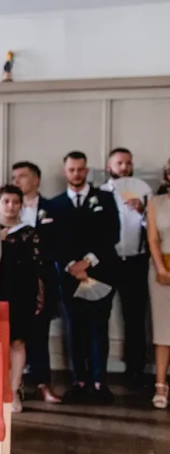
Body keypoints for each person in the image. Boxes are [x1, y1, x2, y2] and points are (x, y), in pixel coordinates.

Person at [44, 151, 120, 405]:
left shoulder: (106, 199)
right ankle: (79, 381)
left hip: (101, 274)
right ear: (65, 172)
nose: (76, 174)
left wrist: (88, 262)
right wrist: (70, 266)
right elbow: (50, 242)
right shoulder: (53, 204)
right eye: (71, 170)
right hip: (68, 277)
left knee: (99, 328)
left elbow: (112, 235)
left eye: (80, 169)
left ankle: (100, 383)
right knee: (74, 330)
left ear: (87, 171)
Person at [10, 160, 60, 402]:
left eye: (22, 176)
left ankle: (43, 383)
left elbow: (59, 243)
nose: (17, 180)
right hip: (13, 282)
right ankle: (14, 387)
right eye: (14, 177)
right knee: (14, 336)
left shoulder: (52, 207)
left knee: (40, 333)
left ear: (36, 180)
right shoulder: (6, 207)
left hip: (43, 279)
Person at [102, 147, 153, 384]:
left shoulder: (145, 193)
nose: (124, 167)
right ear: (109, 167)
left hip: (136, 262)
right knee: (100, 315)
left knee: (135, 317)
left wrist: (142, 212)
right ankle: (98, 370)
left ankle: (136, 369)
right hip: (107, 262)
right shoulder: (100, 193)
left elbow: (155, 230)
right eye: (120, 163)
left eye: (128, 163)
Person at [0, 184, 48, 413]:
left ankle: (14, 390)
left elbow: (37, 267)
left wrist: (40, 293)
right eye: (6, 201)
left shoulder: (29, 232)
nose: (11, 206)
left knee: (17, 342)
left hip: (21, 293)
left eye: (15, 202)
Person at [147, 174, 170, 408]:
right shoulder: (156, 202)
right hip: (161, 268)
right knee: (163, 329)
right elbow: (152, 238)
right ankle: (161, 385)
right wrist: (162, 269)